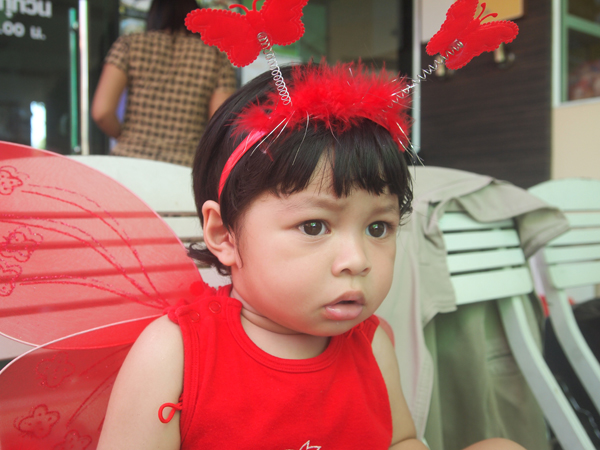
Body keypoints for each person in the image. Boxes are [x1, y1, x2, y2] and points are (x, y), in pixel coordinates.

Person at [95, 63, 528, 450]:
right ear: (223, 234)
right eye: (314, 226)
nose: (357, 260)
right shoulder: (176, 354)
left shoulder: (372, 343)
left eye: (378, 228)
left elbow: (399, 439)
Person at [91, 0, 236, 167]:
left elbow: (101, 112)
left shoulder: (129, 45)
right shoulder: (217, 57)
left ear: (154, 13)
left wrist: (127, 138)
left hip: (129, 162)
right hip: (184, 166)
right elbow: (220, 125)